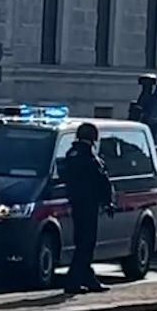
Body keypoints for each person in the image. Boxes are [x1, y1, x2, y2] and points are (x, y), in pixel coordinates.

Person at [60, 122, 114, 296]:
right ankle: (73, 281)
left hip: (76, 203)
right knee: (86, 243)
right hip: (88, 204)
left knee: (82, 243)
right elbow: (101, 180)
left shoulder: (71, 155)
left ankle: (88, 278)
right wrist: (108, 201)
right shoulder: (89, 157)